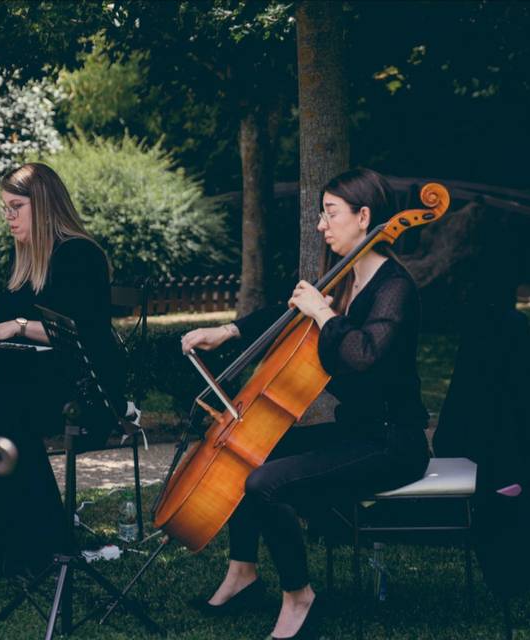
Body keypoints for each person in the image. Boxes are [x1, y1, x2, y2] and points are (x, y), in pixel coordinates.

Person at [180, 168, 430, 639]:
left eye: (330, 214)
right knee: (250, 452)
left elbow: (363, 356)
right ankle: (243, 574)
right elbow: (287, 309)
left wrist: (324, 314)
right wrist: (229, 331)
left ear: (364, 216)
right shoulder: (346, 276)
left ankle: (299, 596)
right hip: (355, 431)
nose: (321, 224)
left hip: (392, 442)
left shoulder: (395, 288)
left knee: (265, 483)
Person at [0, 162, 124, 571]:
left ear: (45, 205)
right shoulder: (27, 258)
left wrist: (13, 326)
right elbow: (3, 318)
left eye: (16, 206)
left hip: (83, 383)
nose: (9, 217)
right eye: (5, 209)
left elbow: (81, 330)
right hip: (38, 378)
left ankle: (37, 537)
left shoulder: (78, 254)